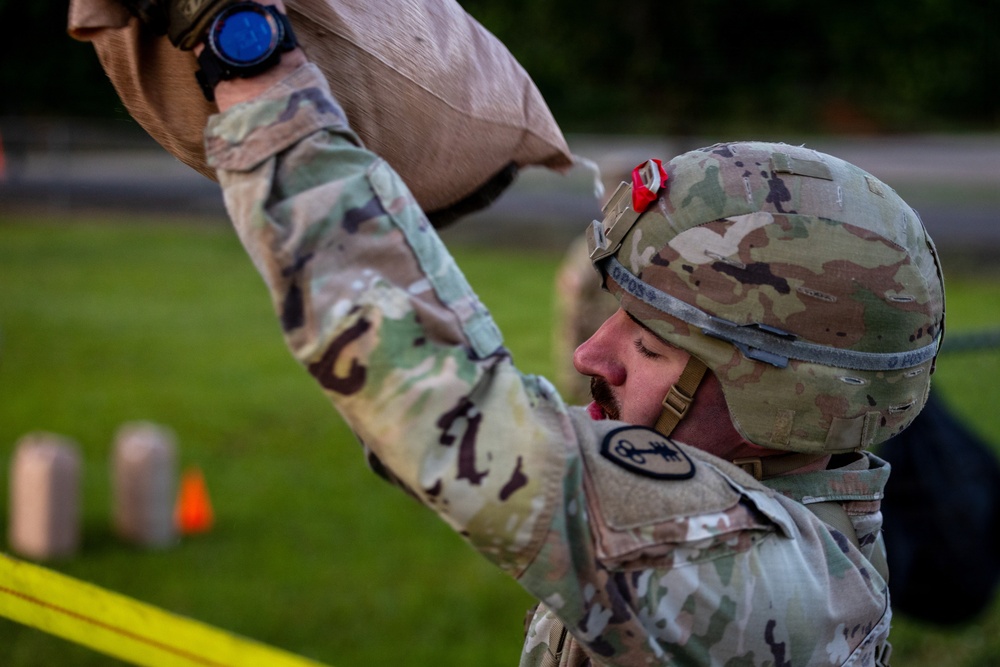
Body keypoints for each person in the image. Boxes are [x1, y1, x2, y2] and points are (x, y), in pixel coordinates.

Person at [115, 0, 945, 664]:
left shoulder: (783, 588)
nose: (591, 354)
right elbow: (446, 429)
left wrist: (248, 58)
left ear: (782, 403)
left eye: (650, 346)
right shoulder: (738, 517)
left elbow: (451, 422)